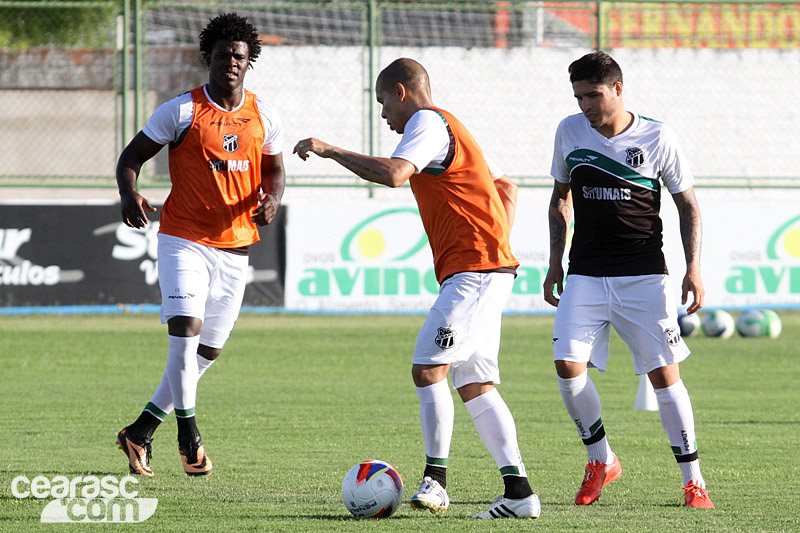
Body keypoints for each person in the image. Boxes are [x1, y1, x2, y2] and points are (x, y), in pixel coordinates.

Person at [293, 58, 539, 520]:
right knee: (475, 383)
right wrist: (492, 238)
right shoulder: (452, 125)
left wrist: (330, 150)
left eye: (383, 101)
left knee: (428, 370)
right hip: (486, 269)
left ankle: (436, 481)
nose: (383, 113)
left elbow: (394, 174)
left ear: (402, 93)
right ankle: (520, 494)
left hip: (476, 272)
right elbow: (506, 186)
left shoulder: (425, 122)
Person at [114, 13, 285, 477]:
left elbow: (274, 171)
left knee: (207, 351)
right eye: (223, 54)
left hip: (236, 248)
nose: (231, 61)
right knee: (185, 331)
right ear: (207, 57)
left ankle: (140, 429)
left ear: (249, 63)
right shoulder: (182, 111)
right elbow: (131, 157)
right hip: (183, 239)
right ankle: (187, 431)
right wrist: (129, 192)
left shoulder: (263, 114)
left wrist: (274, 199)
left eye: (240, 56)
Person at [543, 50, 713, 508]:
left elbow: (688, 206)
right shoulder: (569, 131)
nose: (585, 106)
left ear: (618, 89)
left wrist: (693, 267)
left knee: (663, 375)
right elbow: (561, 200)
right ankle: (601, 460)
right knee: (567, 366)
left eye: (593, 95)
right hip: (585, 273)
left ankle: (693, 480)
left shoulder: (658, 137)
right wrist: (555, 261)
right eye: (578, 97)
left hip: (643, 275)